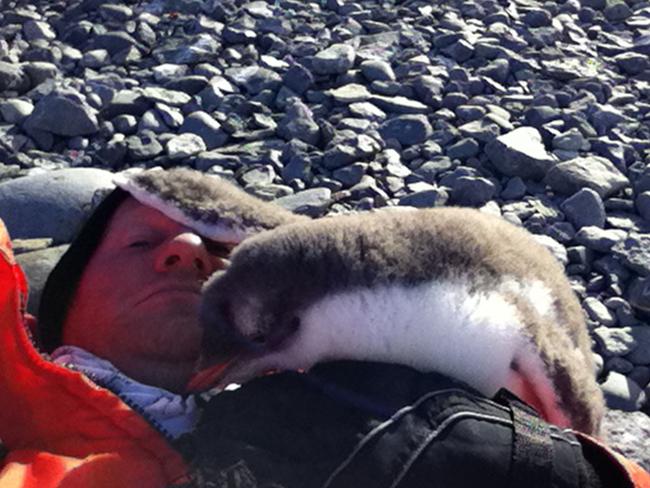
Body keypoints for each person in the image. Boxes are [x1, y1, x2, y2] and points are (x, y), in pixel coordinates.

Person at [0, 168, 648, 488]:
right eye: (141, 245)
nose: (190, 250)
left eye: (225, 258)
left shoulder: (396, 390)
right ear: (47, 315)